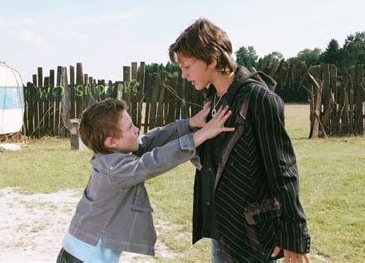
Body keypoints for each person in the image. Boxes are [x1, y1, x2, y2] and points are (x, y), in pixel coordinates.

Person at [168, 18, 311, 262]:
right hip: (223, 230)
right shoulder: (214, 100)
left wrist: (293, 237)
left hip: (253, 238)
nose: (183, 75)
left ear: (212, 59)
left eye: (187, 66)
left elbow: (283, 172)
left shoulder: (258, 99)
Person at [57, 98, 235, 262]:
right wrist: (201, 135)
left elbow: (149, 141)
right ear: (112, 142)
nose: (136, 130)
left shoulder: (113, 156)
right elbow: (153, 162)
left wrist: (189, 124)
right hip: (83, 258)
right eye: (130, 127)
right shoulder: (114, 171)